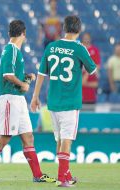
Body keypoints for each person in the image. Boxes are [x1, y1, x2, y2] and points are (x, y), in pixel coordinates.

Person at [0, 20, 55, 183]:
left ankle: (37, 175)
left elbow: (12, 75)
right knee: (4, 138)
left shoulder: (14, 51)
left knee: (28, 137)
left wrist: (26, 77)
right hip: (10, 100)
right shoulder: (11, 50)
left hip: (18, 100)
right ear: (23, 33)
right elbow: (7, 75)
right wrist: (23, 84)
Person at [30, 15, 97, 187]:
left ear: (63, 28)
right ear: (79, 30)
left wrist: (35, 97)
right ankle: (62, 178)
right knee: (67, 139)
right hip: (70, 101)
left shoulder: (51, 47)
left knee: (59, 139)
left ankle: (66, 173)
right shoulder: (79, 48)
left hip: (53, 101)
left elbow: (42, 74)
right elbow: (92, 70)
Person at [81, 32, 101, 104]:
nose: (86, 39)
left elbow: (98, 65)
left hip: (91, 75)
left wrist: (87, 73)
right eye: (84, 37)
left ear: (90, 38)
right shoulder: (79, 49)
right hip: (80, 75)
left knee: (91, 100)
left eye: (87, 37)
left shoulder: (95, 50)